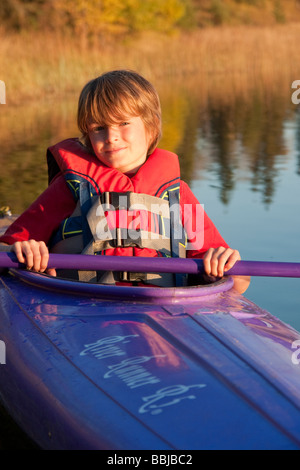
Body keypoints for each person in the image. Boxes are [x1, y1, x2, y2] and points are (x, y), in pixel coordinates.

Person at [0, 70, 250, 293]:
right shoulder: (68, 188)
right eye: (99, 127)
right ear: (87, 134)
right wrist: (22, 251)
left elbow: (238, 283)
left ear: (151, 128)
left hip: (161, 312)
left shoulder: (177, 195)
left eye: (123, 123)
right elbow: (6, 251)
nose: (111, 137)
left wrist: (224, 265)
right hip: (82, 307)